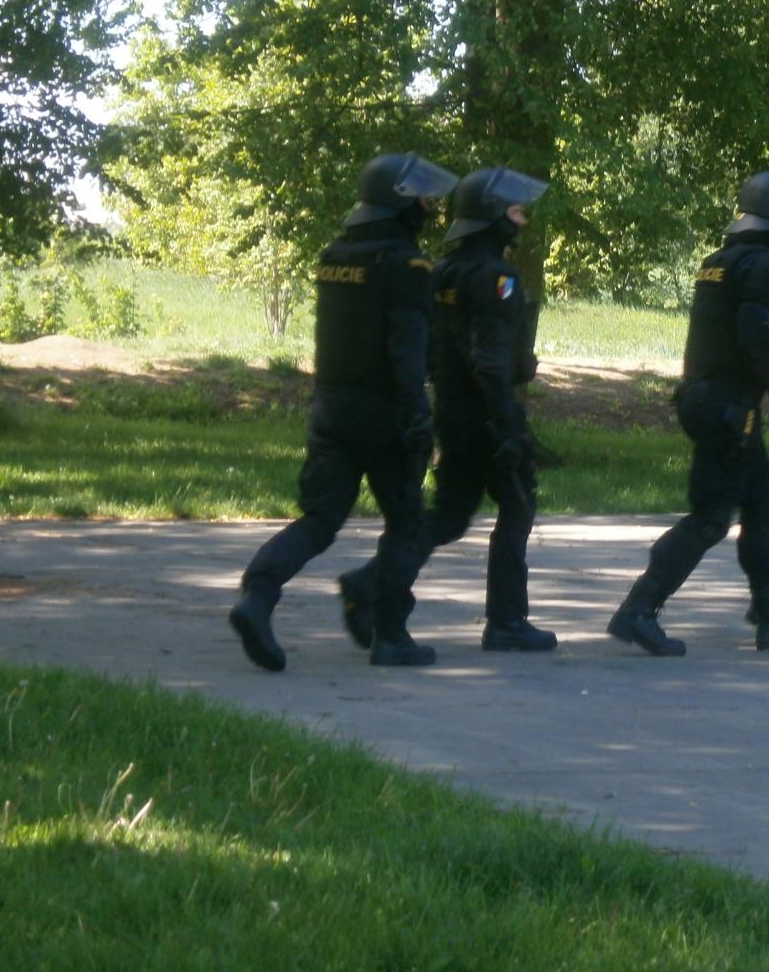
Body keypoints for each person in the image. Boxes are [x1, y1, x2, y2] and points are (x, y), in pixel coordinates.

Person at [228, 151, 458, 672]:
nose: (429, 205)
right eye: (423, 197)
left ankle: (258, 595)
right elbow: (406, 348)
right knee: (404, 522)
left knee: (320, 518)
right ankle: (392, 635)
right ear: (399, 202)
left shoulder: (336, 255)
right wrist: (419, 415)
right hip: (386, 414)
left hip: (331, 408)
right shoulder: (408, 264)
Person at [607, 170, 769, 656]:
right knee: (711, 517)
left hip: (714, 403)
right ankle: (638, 609)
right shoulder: (764, 267)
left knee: (761, 508)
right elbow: (763, 340)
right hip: (729, 409)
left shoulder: (723, 262)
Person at [338, 166, 557, 654]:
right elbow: (491, 360)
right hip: (487, 413)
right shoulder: (497, 277)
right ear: (494, 215)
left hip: (453, 414)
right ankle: (507, 622)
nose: (523, 221)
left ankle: (371, 583)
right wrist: (506, 424)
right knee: (518, 508)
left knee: (451, 515)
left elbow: (437, 348)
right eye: (518, 211)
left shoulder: (444, 271)